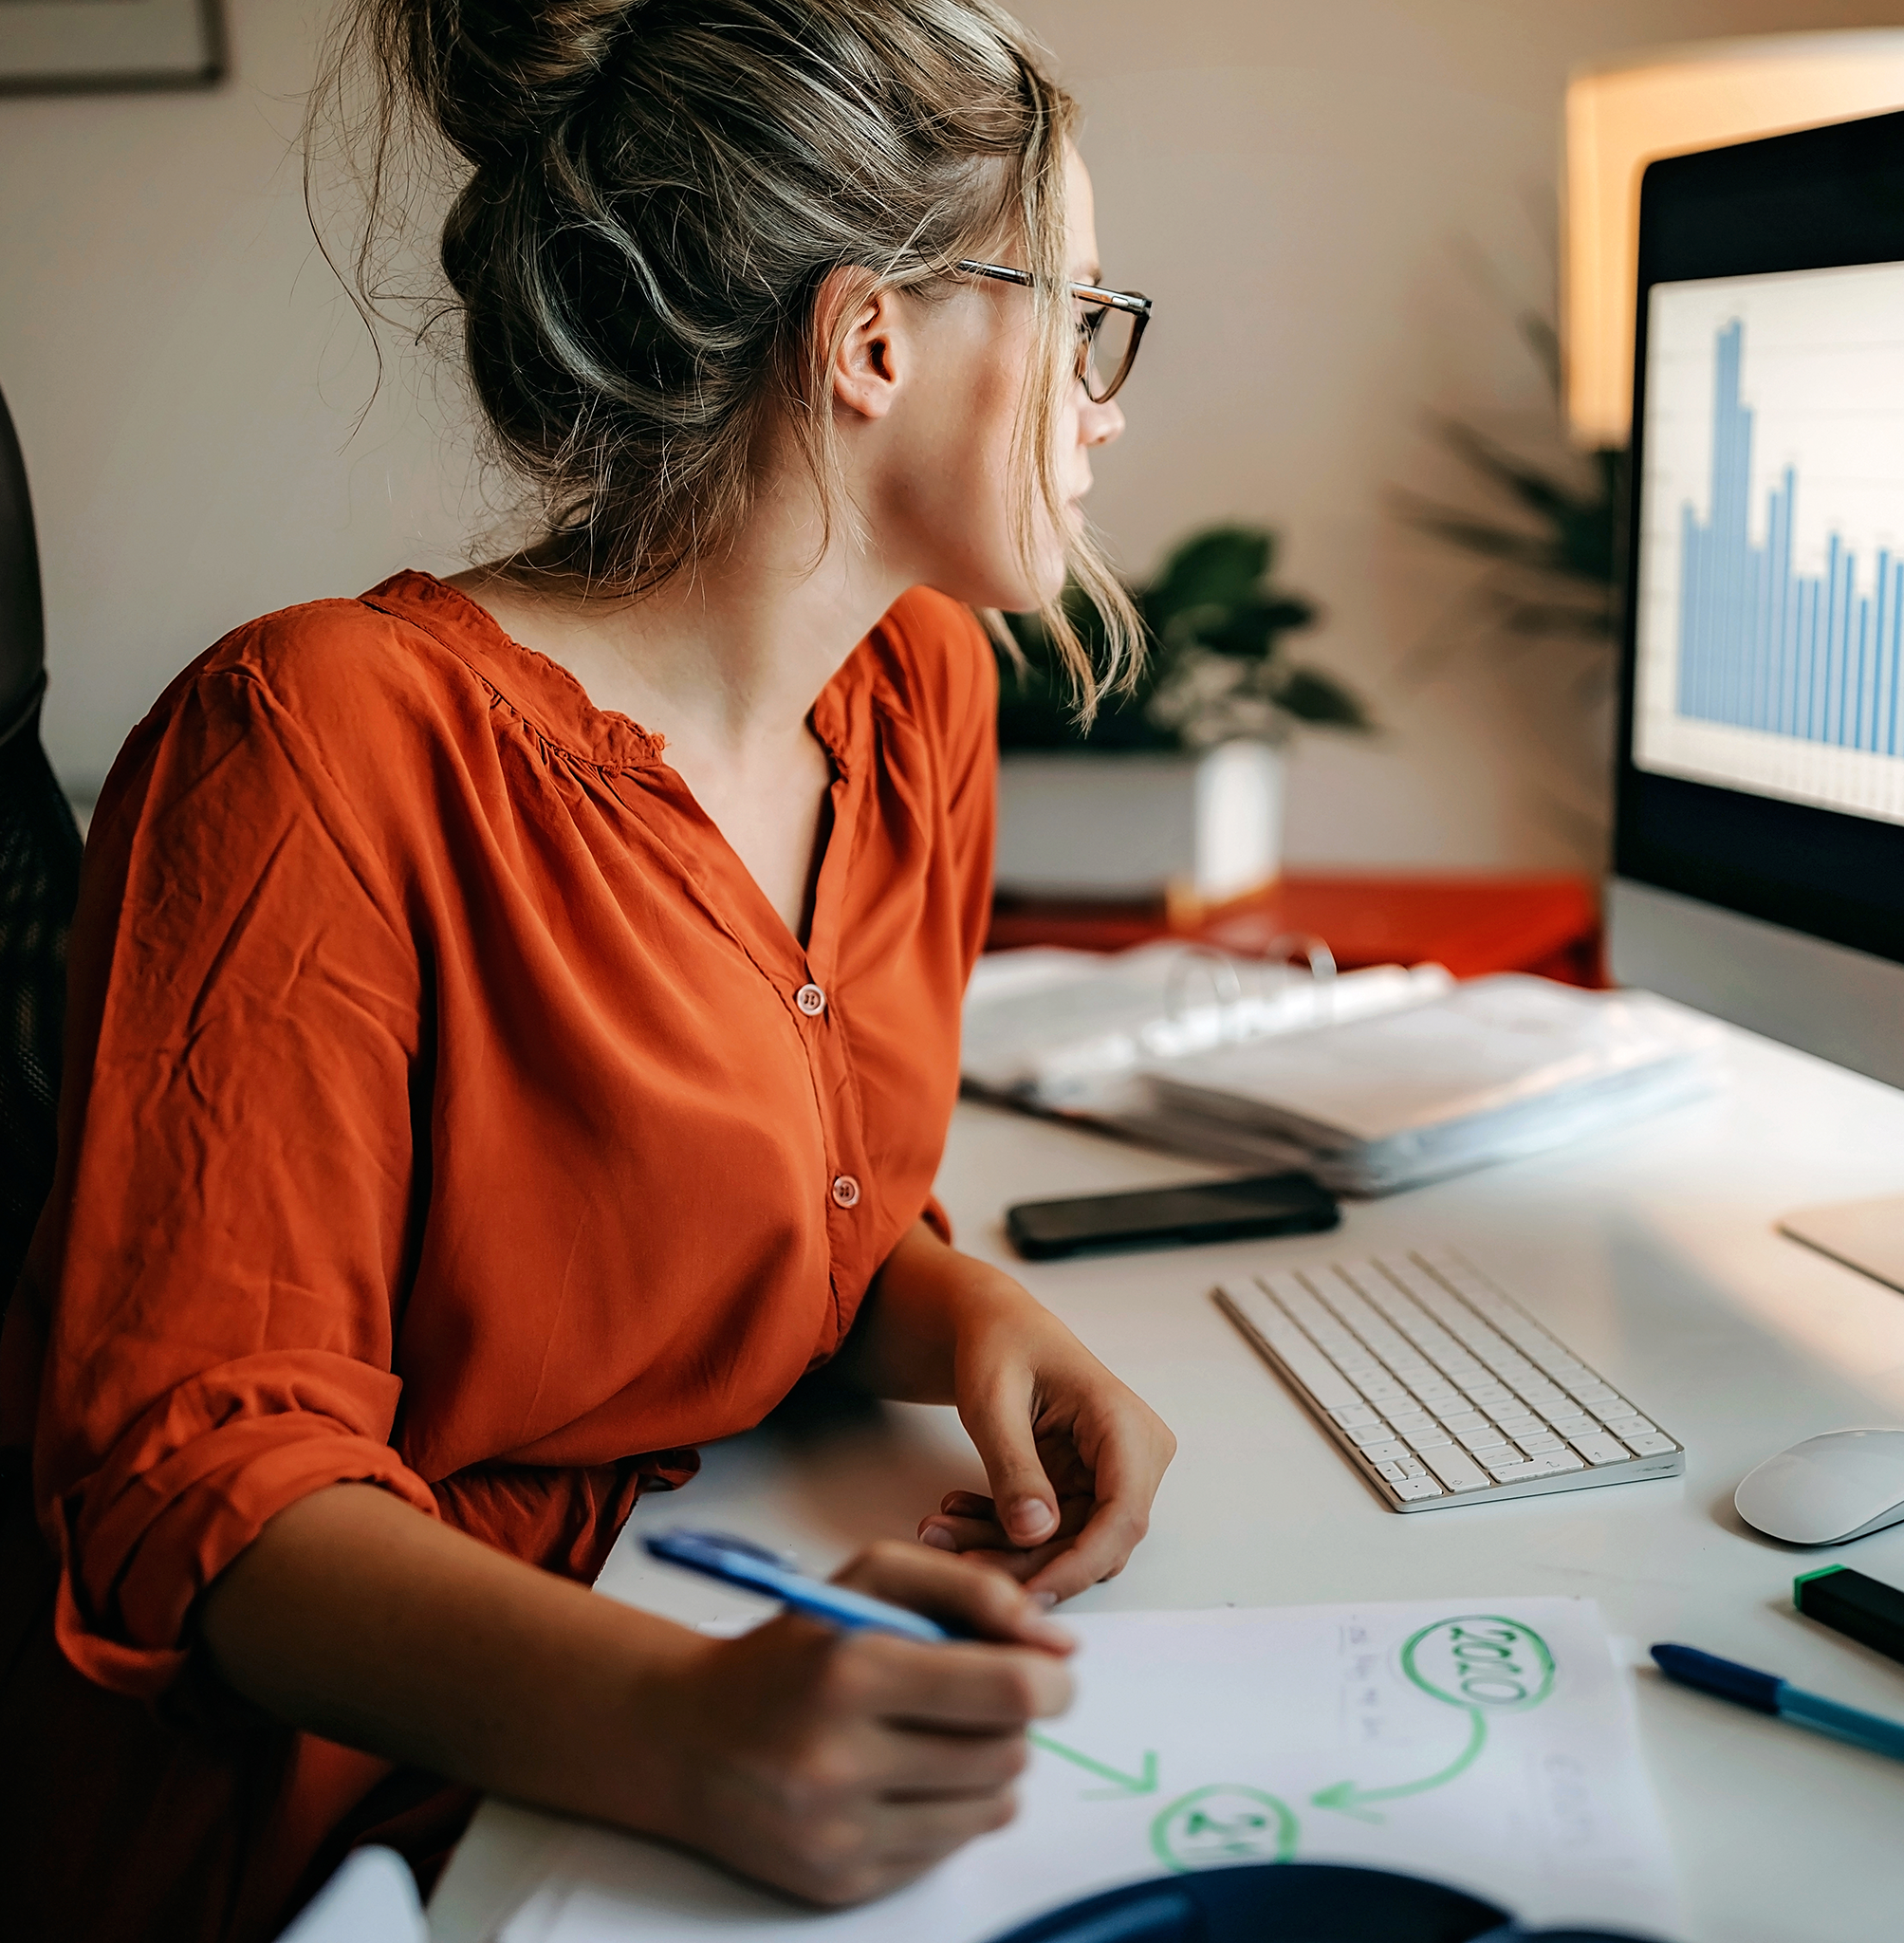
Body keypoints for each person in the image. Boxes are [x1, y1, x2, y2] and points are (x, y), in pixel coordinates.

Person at [0, 2, 1175, 1938]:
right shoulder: (317, 741)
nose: (1104, 399)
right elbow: (192, 1488)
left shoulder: (917, 697)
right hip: (350, 1823)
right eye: (1083, 316)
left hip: (703, 1615)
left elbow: (787, 1216)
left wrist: (959, 1314)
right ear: (873, 340)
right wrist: (693, 1729)